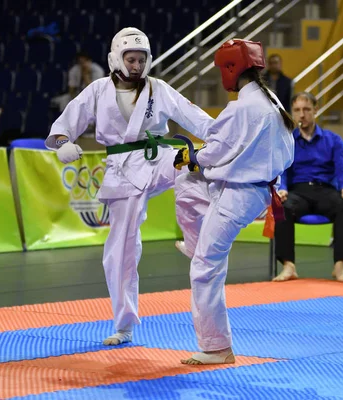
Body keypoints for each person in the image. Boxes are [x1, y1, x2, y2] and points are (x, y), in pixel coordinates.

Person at [45, 27, 214, 346]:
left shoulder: (159, 88)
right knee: (120, 251)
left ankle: (194, 239)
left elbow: (197, 118)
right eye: (130, 58)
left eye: (141, 59)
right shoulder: (96, 90)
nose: (136, 65)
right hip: (121, 170)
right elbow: (63, 126)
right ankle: (124, 324)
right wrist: (63, 143)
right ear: (115, 59)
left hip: (159, 155)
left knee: (191, 162)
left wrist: (225, 135)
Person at [174, 39, 295, 365]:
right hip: (253, 188)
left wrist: (193, 155)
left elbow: (215, 150)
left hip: (238, 194)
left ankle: (217, 348)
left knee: (204, 268)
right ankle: (195, 241)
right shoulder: (272, 100)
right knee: (186, 184)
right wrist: (198, 162)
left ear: (231, 69)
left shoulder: (241, 109)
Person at [272, 92, 343, 283]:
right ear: (292, 113)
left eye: (307, 109)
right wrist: (282, 188)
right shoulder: (287, 140)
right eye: (297, 110)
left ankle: (340, 266)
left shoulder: (333, 140)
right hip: (297, 192)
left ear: (315, 111)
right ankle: (288, 265)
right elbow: (281, 170)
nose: (302, 115)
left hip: (325, 191)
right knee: (282, 207)